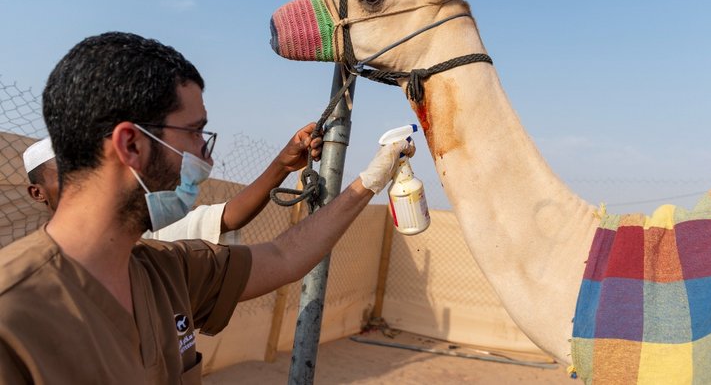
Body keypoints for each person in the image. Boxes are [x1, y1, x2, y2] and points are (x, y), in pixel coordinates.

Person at [0, 32, 409, 384]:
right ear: (131, 145)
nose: (206, 157)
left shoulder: (168, 272)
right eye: (195, 134)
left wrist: (369, 181)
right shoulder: (14, 317)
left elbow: (284, 256)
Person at [22, 132, 313, 244]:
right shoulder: (27, 271)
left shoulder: (141, 231)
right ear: (37, 192)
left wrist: (282, 166)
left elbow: (225, 218)